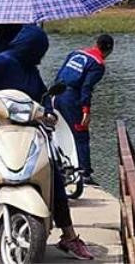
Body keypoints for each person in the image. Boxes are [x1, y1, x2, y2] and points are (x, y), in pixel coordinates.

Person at [0, 25, 94, 260]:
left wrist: (48, 111)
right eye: (39, 48)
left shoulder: (31, 70)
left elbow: (43, 95)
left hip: (27, 129)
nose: (40, 54)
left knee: (54, 174)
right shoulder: (3, 61)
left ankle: (68, 235)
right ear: (30, 47)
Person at [54, 34, 114, 186]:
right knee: (81, 134)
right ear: (109, 50)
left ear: (95, 43)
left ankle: (62, 168)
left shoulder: (76, 53)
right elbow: (86, 87)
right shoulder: (98, 64)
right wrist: (86, 111)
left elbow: (59, 74)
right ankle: (84, 173)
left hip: (56, 95)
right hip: (71, 99)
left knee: (60, 133)